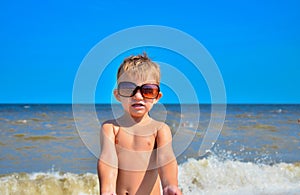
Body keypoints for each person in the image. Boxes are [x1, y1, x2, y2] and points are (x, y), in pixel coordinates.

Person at [97, 53, 182, 195]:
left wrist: (170, 185)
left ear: (157, 97)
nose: (137, 96)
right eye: (129, 89)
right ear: (118, 95)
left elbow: (166, 158)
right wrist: (107, 189)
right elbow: (108, 160)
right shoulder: (111, 128)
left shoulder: (160, 129)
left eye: (148, 91)